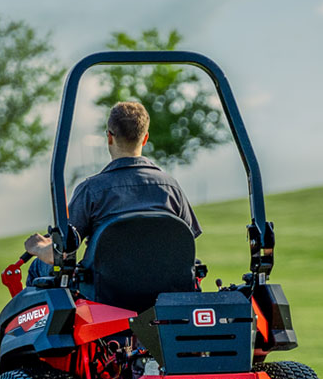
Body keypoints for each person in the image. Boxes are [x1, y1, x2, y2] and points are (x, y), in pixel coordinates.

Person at [24, 101, 201, 282]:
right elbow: (185, 242)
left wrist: (37, 246)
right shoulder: (171, 187)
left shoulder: (91, 191)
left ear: (109, 137)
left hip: (106, 291)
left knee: (38, 268)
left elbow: (60, 255)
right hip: (164, 287)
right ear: (145, 138)